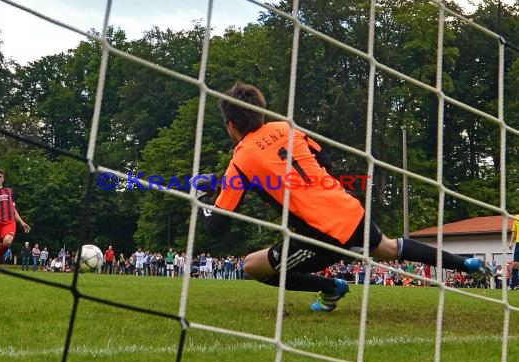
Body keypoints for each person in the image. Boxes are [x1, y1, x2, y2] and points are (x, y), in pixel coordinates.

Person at [196, 82, 492, 312]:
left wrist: (202, 195)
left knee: (252, 266)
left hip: (321, 234)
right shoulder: (286, 128)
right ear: (261, 112)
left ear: (232, 125)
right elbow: (324, 160)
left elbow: (218, 226)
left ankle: (331, 287)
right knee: (389, 248)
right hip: (349, 211)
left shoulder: (241, 159)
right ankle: (467, 264)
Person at [0, 168, 31, 274]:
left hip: (9, 221)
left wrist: (21, 222)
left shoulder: (9, 191)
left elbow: (13, 209)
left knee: (7, 242)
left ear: (3, 179)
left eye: (0, 177)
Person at [509, 214, 519, 290]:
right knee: (515, 264)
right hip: (518, 243)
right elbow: (514, 231)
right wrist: (511, 242)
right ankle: (513, 285)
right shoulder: (516, 217)